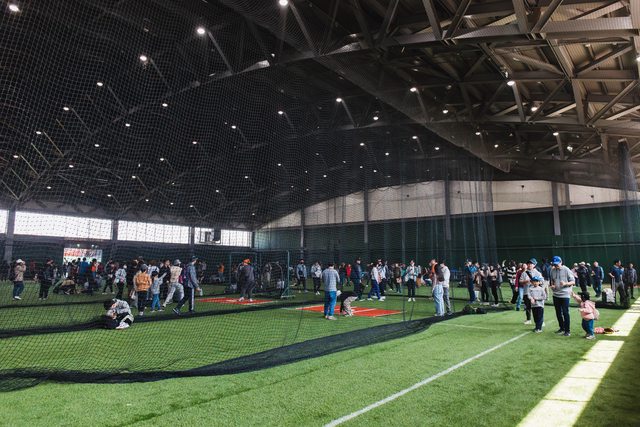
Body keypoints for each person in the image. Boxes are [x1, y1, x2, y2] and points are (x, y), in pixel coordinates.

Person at [550, 256, 575, 337]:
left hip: (565, 295)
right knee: (558, 313)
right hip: (556, 294)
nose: (555, 266)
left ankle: (567, 331)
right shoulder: (552, 270)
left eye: (557, 264)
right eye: (554, 264)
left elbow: (573, 281)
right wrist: (553, 285)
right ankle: (561, 328)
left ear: (561, 262)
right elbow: (552, 281)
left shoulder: (566, 269)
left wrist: (565, 283)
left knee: (565, 312)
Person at [519, 259, 542, 325]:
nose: (529, 265)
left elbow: (541, 281)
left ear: (534, 265)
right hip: (526, 292)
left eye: (531, 264)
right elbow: (520, 281)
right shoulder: (524, 273)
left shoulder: (537, 273)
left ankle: (540, 321)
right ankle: (528, 319)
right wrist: (525, 281)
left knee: (537, 307)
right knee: (528, 307)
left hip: (536, 293)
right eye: (528, 264)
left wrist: (535, 282)